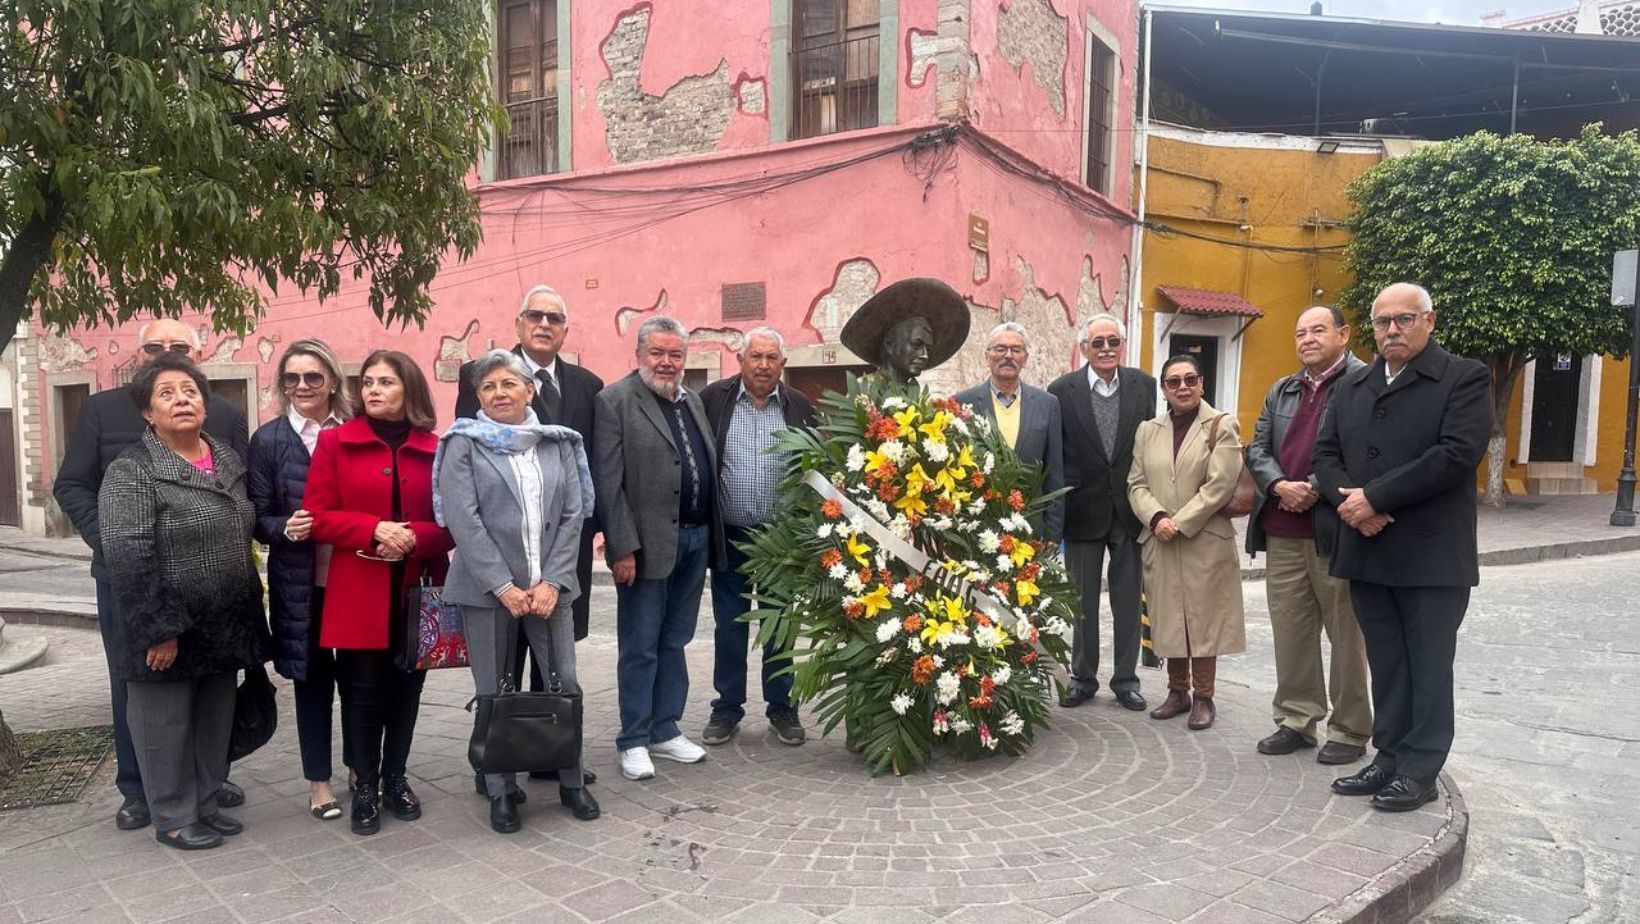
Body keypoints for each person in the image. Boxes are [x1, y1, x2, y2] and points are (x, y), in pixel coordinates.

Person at [53, 318, 250, 830]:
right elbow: (73, 484)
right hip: (140, 586)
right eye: (157, 349)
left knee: (210, 702)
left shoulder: (225, 427)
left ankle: (205, 794)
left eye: (180, 349)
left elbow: (244, 503)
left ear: (199, 357)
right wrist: (114, 539)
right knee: (146, 695)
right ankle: (148, 796)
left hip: (218, 606)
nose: (170, 356)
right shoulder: (107, 419)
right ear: (147, 404)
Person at [1313, 282, 1491, 812]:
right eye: (1383, 321)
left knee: (1428, 665)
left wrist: (1374, 498)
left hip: (1431, 555)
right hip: (1367, 549)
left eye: (1404, 319)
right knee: (1387, 663)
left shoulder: (1463, 377)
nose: (1392, 329)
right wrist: (1352, 505)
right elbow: (1325, 454)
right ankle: (1388, 756)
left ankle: (1421, 768)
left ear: (1429, 321)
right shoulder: (1353, 385)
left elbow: (1456, 454)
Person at [97, 353, 268, 849]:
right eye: (167, 394)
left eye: (190, 391)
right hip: (168, 628)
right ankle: (172, 816)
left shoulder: (227, 458)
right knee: (164, 725)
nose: (182, 400)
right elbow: (127, 555)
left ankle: (207, 801)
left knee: (213, 720)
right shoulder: (132, 471)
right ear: (148, 413)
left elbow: (244, 526)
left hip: (224, 622)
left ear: (205, 403)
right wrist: (160, 628)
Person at [437, 350, 601, 833]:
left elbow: (574, 514)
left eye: (509, 383)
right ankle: (500, 788)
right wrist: (504, 586)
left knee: (564, 685)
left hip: (551, 590)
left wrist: (552, 580)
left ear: (530, 390)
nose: (499, 393)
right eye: (488, 387)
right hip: (488, 590)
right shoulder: (462, 443)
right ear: (478, 397)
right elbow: (464, 520)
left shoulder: (558, 443)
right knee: (493, 691)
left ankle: (570, 781)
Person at [304, 350, 454, 835]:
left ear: (408, 389)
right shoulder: (335, 443)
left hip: (419, 590)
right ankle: (365, 785)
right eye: (367, 381)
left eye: (386, 382)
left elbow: (454, 522)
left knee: (407, 693)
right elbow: (318, 515)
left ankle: (396, 778)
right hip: (358, 592)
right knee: (362, 694)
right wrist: (374, 529)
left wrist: (417, 537)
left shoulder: (438, 448)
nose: (372, 390)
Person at [594, 316, 722, 782]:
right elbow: (608, 484)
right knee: (640, 646)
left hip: (693, 539)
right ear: (639, 355)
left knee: (675, 641)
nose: (666, 363)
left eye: (675, 355)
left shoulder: (691, 402)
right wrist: (622, 547)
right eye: (658, 353)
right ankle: (632, 738)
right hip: (644, 547)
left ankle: (665, 729)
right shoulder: (615, 401)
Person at [1245, 307, 1372, 765]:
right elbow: (1256, 447)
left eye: (1318, 330)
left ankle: (1350, 729)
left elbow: (1366, 450)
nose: (1307, 339)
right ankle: (1297, 720)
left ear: (1344, 334)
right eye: (1300, 332)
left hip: (1335, 529)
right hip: (1282, 528)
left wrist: (1315, 489)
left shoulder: (1364, 383)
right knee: (1291, 631)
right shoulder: (1283, 388)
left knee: (1346, 634)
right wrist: (1278, 485)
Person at [247, 339, 355, 820]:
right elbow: (257, 516)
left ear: (332, 380)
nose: (302, 386)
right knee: (312, 683)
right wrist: (282, 529)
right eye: (291, 378)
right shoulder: (269, 440)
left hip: (354, 580)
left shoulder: (355, 431)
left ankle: (360, 767)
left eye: (313, 377)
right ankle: (319, 782)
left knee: (359, 682)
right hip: (300, 584)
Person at [698, 328, 816, 748]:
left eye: (771, 358)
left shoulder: (799, 406)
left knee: (779, 626)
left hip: (781, 540)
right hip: (730, 536)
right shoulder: (714, 399)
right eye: (756, 357)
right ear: (740, 360)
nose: (763, 365)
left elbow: (814, 469)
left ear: (783, 364)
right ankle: (727, 708)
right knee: (730, 626)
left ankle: (782, 707)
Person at [1127, 355, 1247, 731]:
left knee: (1204, 618)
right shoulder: (1148, 430)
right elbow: (1136, 483)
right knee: (1169, 616)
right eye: (1174, 381)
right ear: (1163, 388)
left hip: (1204, 539)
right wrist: (1157, 518)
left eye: (1190, 379)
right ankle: (1177, 692)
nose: (1183, 387)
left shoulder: (1221, 425)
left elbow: (1220, 485)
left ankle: (1204, 697)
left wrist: (1179, 522)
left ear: (1201, 384)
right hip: (1160, 538)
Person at [1047, 314, 1155, 711]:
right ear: (1084, 348)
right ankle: (1083, 677)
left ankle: (1126, 680)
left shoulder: (1144, 386)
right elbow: (1056, 453)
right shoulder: (1061, 390)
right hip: (1082, 510)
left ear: (1121, 345)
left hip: (1130, 510)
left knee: (1128, 599)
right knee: (1081, 602)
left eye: (1113, 341)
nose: (1106, 348)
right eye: (1098, 343)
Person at [954, 322, 1065, 541]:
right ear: (987, 356)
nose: (1008, 355)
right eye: (1000, 349)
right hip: (979, 527)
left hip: (1031, 527)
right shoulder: (962, 403)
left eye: (1016, 350)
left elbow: (1055, 474)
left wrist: (1053, 536)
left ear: (1026, 358)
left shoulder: (1047, 404)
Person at [837, 278, 970, 385]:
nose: (924, 355)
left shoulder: (917, 399)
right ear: (890, 345)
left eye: (928, 349)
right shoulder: (864, 392)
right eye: (916, 345)